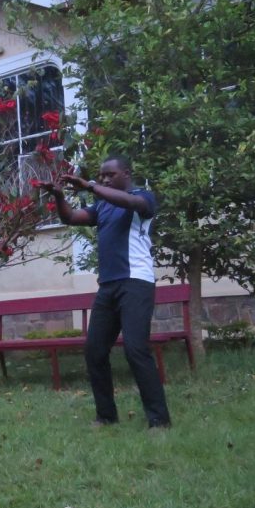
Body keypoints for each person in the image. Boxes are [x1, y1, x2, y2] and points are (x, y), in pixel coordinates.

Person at [41, 155, 172, 429]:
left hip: (135, 282)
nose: (104, 179)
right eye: (101, 175)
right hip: (109, 285)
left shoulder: (143, 198)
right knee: (95, 350)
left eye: (110, 175)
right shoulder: (103, 205)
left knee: (136, 350)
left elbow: (130, 203)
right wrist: (59, 196)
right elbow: (71, 217)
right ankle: (106, 416)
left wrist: (90, 186)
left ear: (127, 173)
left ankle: (159, 421)